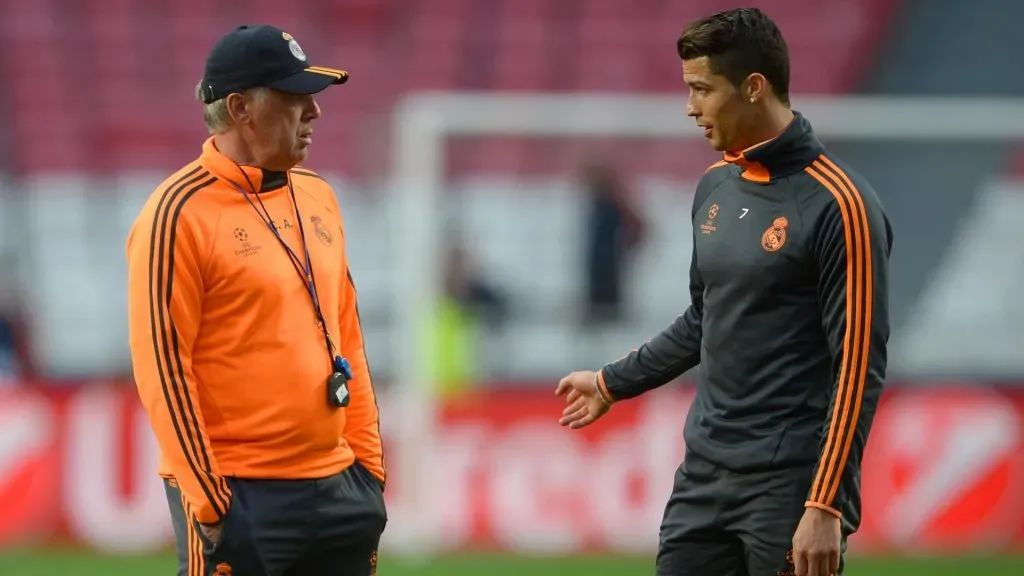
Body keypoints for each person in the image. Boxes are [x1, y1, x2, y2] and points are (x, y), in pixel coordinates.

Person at [555, 8, 892, 576]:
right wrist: (613, 382)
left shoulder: (842, 206)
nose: (691, 107)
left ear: (754, 88)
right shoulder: (714, 187)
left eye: (702, 90)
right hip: (703, 478)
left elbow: (858, 367)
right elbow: (703, 319)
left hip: (789, 488)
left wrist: (826, 502)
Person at [126, 24, 386, 576]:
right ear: (241, 107)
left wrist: (369, 472)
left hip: (339, 490)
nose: (314, 112)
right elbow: (163, 371)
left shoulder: (318, 194)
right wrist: (212, 506)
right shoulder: (175, 215)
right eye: (294, 98)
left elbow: (349, 337)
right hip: (240, 495)